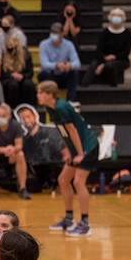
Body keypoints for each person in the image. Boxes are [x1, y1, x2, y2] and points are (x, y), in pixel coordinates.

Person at [37, 80, 95, 236]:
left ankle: (85, 223)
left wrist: (80, 153)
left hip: (87, 146)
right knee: (63, 180)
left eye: (40, 92)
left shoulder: (62, 107)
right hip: (76, 147)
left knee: (78, 181)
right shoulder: (50, 108)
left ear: (49, 94)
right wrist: (69, 152)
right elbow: (63, 131)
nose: (38, 95)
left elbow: (73, 130)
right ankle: (69, 219)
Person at [15, 103, 69, 190]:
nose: (26, 120)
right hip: (37, 172)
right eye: (23, 118)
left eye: (28, 116)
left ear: (35, 117)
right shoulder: (24, 140)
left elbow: (62, 148)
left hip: (54, 168)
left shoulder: (51, 131)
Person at [0, 104, 29, 200]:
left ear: (9, 116)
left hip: (11, 155)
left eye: (3, 116)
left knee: (20, 154)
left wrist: (13, 149)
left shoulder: (16, 125)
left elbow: (19, 145)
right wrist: (3, 150)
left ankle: (23, 188)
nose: (1, 118)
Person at [82, 8, 131, 88]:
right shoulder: (105, 32)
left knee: (109, 66)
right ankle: (84, 86)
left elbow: (126, 52)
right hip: (104, 58)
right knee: (93, 64)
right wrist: (103, 60)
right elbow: (99, 49)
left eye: (119, 16)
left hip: (121, 59)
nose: (116, 17)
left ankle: (114, 86)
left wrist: (113, 57)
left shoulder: (127, 33)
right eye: (114, 15)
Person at [38, 23, 80, 103]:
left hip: (62, 74)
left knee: (74, 73)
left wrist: (69, 65)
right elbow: (44, 64)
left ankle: (70, 101)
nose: (54, 35)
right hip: (50, 75)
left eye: (56, 33)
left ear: (62, 34)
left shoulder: (69, 45)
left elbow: (77, 63)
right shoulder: (44, 44)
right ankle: (49, 100)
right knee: (44, 73)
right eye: (52, 33)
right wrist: (56, 65)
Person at [0, 35, 35, 109]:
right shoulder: (4, 55)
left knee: (28, 84)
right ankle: (12, 107)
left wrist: (22, 76)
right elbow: (2, 73)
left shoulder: (26, 55)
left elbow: (30, 73)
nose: (10, 48)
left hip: (23, 77)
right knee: (13, 85)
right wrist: (11, 75)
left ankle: (29, 106)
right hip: (8, 78)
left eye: (11, 45)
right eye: (8, 45)